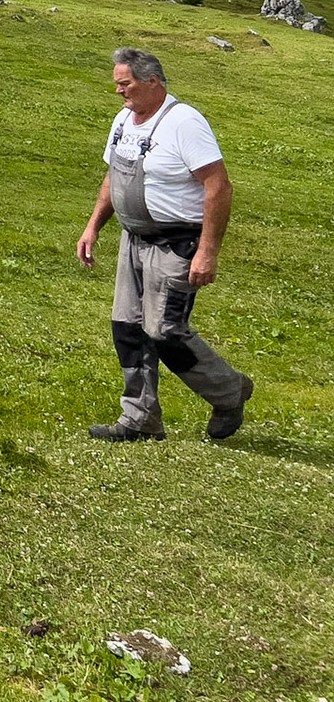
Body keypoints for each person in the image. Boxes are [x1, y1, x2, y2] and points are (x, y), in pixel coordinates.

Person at [76, 47, 253, 442]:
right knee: (128, 328)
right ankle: (140, 418)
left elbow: (218, 186)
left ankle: (230, 392)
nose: (119, 92)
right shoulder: (124, 121)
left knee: (164, 331)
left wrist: (207, 251)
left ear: (152, 81)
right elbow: (112, 180)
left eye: (125, 84)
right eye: (118, 84)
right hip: (132, 240)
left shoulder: (184, 124)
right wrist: (93, 228)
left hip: (177, 245)